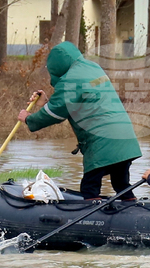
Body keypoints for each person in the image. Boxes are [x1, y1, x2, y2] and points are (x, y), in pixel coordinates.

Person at [18, 41, 142, 200]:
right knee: (121, 184)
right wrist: (47, 103)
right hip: (125, 139)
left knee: (89, 187)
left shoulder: (69, 80)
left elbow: (55, 113)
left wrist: (29, 119)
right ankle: (130, 208)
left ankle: (93, 218)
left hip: (102, 142)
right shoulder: (93, 68)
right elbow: (77, 102)